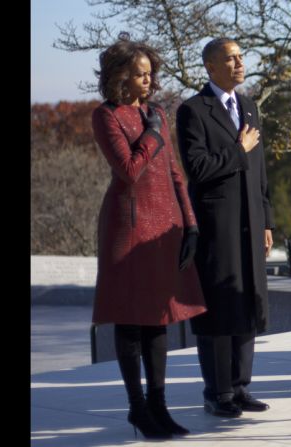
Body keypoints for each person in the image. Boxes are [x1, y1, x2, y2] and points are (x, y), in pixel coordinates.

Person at [90, 38, 207, 439]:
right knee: (130, 319)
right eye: (141, 73)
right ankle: (137, 409)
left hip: (164, 227)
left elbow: (175, 174)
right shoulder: (105, 116)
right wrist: (153, 135)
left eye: (150, 72)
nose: (149, 79)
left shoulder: (155, 112)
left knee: (159, 321)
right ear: (122, 76)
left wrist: (190, 224)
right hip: (128, 226)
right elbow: (128, 169)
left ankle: (159, 405)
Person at [176, 37, 274, 417]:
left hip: (251, 221)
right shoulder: (193, 111)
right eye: (230, 59)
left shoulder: (249, 107)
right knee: (218, 307)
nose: (238, 63)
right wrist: (238, 150)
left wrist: (267, 220)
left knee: (247, 301)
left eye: (240, 57)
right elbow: (197, 168)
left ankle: (240, 386)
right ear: (211, 67)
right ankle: (217, 392)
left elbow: (260, 171)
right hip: (218, 225)